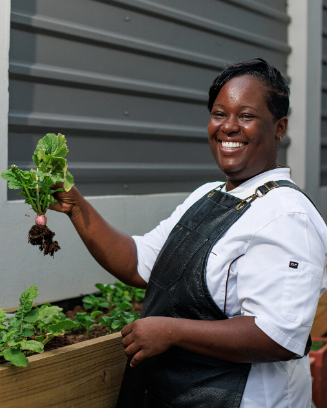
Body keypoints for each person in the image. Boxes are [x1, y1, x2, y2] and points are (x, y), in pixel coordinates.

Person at [50, 58, 327, 408]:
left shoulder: (288, 216)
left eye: (246, 116)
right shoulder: (208, 195)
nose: (228, 127)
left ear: (279, 127)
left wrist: (171, 331)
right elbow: (138, 262)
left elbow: (279, 336)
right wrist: (76, 206)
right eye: (219, 113)